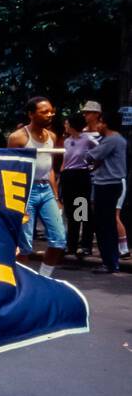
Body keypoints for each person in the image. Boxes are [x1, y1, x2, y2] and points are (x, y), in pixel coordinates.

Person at [7, 97, 65, 277]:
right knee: (24, 246)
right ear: (31, 114)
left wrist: (56, 198)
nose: (50, 115)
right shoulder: (18, 138)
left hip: (46, 190)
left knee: (59, 240)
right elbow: (10, 170)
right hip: (25, 191)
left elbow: (50, 170)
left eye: (51, 111)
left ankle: (44, 279)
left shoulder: (52, 136)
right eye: (44, 112)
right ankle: (23, 284)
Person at [86, 110, 127, 274]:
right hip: (108, 184)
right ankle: (111, 261)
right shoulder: (114, 139)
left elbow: (90, 156)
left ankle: (109, 262)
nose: (98, 126)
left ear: (106, 123)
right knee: (107, 223)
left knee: (104, 225)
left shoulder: (112, 140)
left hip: (107, 185)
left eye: (100, 122)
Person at [60, 113, 96, 261]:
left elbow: (99, 152)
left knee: (81, 210)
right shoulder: (67, 141)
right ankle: (71, 246)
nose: (65, 126)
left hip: (81, 176)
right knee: (70, 212)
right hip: (68, 176)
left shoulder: (87, 139)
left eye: (67, 123)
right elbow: (65, 160)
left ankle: (86, 245)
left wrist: (92, 166)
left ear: (73, 125)